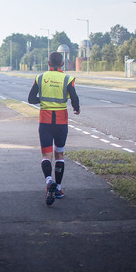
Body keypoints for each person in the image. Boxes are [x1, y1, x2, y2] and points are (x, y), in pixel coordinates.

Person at [28, 51, 80, 206]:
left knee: (46, 155)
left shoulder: (40, 78)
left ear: (48, 63)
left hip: (45, 121)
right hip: (61, 122)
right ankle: (57, 188)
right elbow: (75, 98)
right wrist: (77, 108)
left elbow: (30, 99)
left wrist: (42, 100)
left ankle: (48, 181)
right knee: (59, 153)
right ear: (62, 64)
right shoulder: (67, 78)